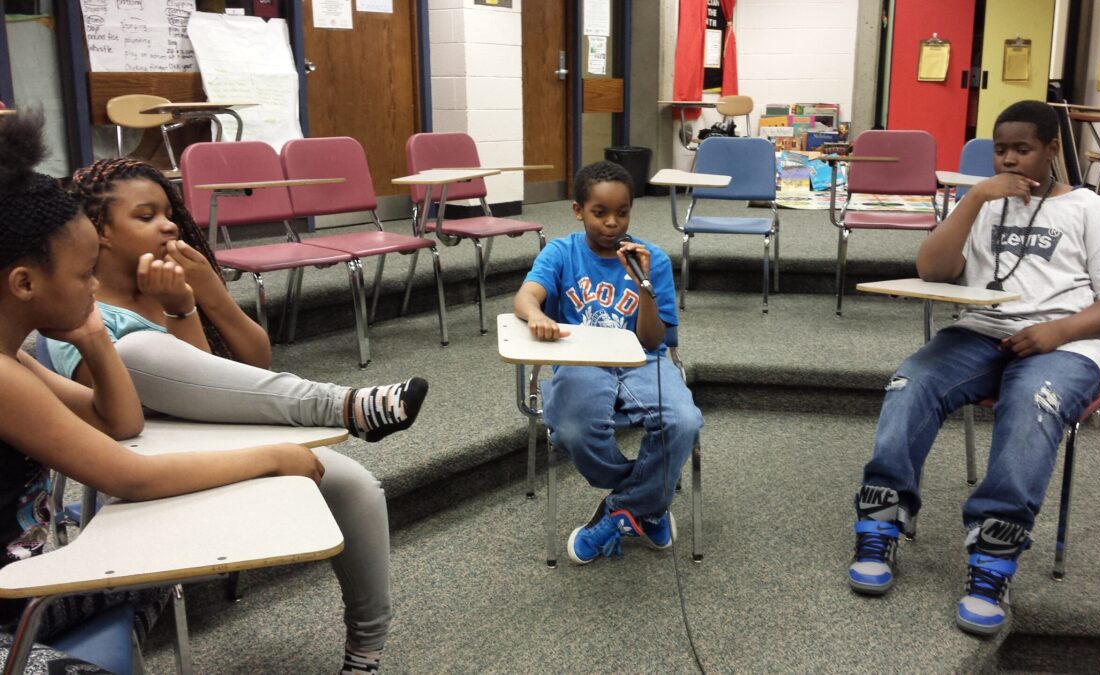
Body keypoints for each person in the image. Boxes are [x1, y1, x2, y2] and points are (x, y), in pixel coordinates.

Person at [40, 157, 424, 674]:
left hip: (218, 435)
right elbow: (118, 411)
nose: (170, 225)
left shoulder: (173, 282)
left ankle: (365, 652)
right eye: (146, 215)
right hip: (149, 459)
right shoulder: (77, 309)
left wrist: (195, 303)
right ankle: (345, 405)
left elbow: (226, 380)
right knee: (136, 353)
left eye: (169, 213)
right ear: (100, 232)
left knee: (355, 484)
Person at [0, 113, 325, 671]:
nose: (94, 287)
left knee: (168, 565)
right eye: (83, 277)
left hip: (24, 580)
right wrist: (274, 457)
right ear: (25, 284)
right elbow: (130, 474)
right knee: (165, 558)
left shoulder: (18, 362)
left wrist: (95, 340)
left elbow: (119, 424)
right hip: (11, 602)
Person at [847, 100, 1100, 636]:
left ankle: (993, 554)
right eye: (1000, 150)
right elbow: (933, 268)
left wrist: (1057, 331)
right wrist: (974, 198)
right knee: (911, 381)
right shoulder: (981, 202)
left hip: (1068, 344)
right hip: (983, 332)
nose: (1009, 160)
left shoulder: (1089, 210)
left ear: (1052, 151)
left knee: (1032, 403)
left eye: (1022, 150)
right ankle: (882, 518)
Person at [513, 161, 703, 565]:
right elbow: (525, 297)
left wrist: (644, 287)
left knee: (683, 421)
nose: (613, 223)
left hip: (641, 360)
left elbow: (653, 340)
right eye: (600, 212)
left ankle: (622, 510)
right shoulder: (561, 252)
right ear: (578, 210)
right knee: (574, 429)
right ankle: (646, 502)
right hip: (581, 360)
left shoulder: (651, 260)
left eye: (623, 212)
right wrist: (538, 315)